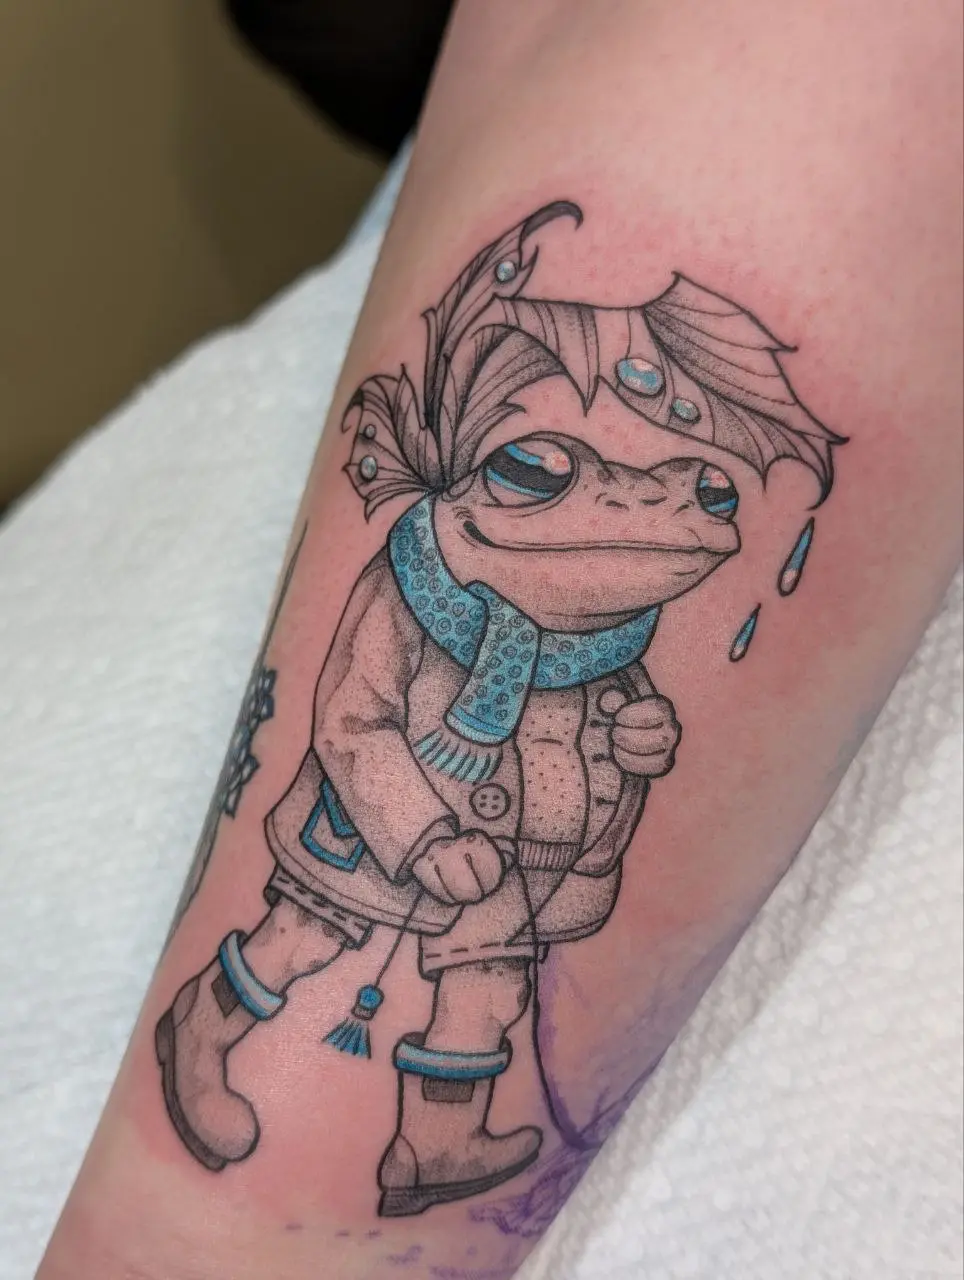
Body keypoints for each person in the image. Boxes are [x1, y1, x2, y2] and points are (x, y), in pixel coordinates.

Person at [36, 1, 962, 1276]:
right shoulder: (421, 590)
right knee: (304, 938)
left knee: (484, 984)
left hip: (530, 846)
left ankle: (437, 1134)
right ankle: (220, 1027)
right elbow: (354, 720)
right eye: (542, 469)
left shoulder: (611, 634)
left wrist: (636, 733)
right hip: (380, 830)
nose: (662, 508)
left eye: (704, 489)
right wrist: (220, 1240)